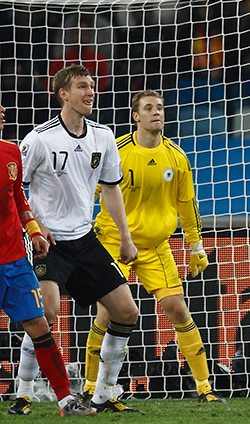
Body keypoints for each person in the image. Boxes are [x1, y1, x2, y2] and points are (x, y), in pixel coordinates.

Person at [11, 65, 141, 413]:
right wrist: (34, 227)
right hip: (47, 242)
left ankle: (104, 394)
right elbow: (15, 190)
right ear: (63, 94)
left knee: (127, 312)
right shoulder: (39, 139)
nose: (90, 92)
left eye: (93, 86)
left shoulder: (104, 136)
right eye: (82, 86)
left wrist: (126, 239)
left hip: (85, 239)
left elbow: (111, 190)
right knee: (47, 312)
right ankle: (22, 392)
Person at [81, 90, 224, 403]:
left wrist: (196, 245)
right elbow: (87, 191)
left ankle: (205, 389)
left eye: (159, 107)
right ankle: (92, 387)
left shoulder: (176, 157)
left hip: (157, 246)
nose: (156, 112)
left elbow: (186, 204)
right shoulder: (116, 150)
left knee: (178, 309)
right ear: (136, 117)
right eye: (148, 108)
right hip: (113, 242)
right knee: (107, 314)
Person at [0, 103, 94, 417]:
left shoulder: (11, 153)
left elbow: (17, 196)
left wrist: (33, 229)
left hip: (14, 259)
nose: (2, 110)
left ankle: (66, 400)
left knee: (40, 324)